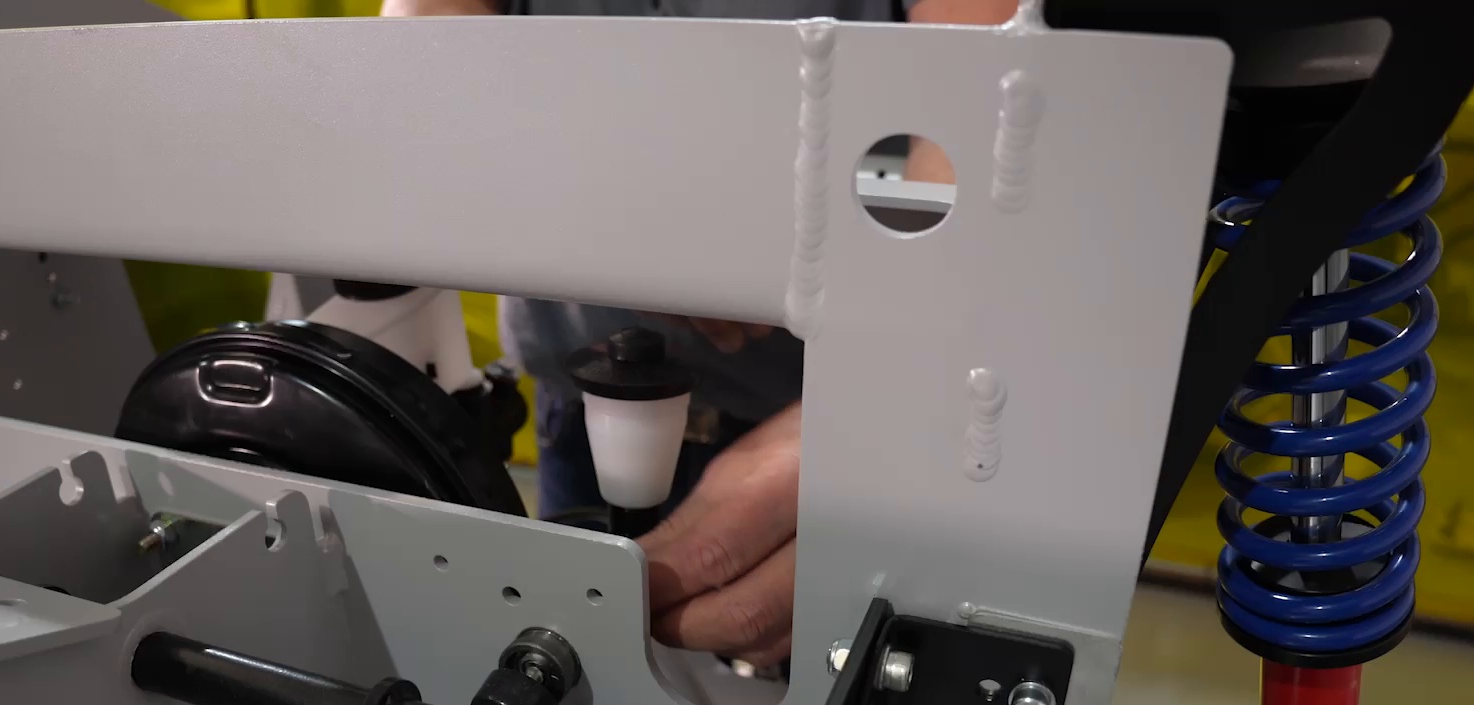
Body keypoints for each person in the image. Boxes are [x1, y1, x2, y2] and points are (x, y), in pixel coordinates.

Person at [383, 0, 1010, 669]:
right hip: (580, 419)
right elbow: (421, 56)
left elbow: (990, 85)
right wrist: (602, 200)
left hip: (822, 439)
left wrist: (891, 397)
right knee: (588, 683)